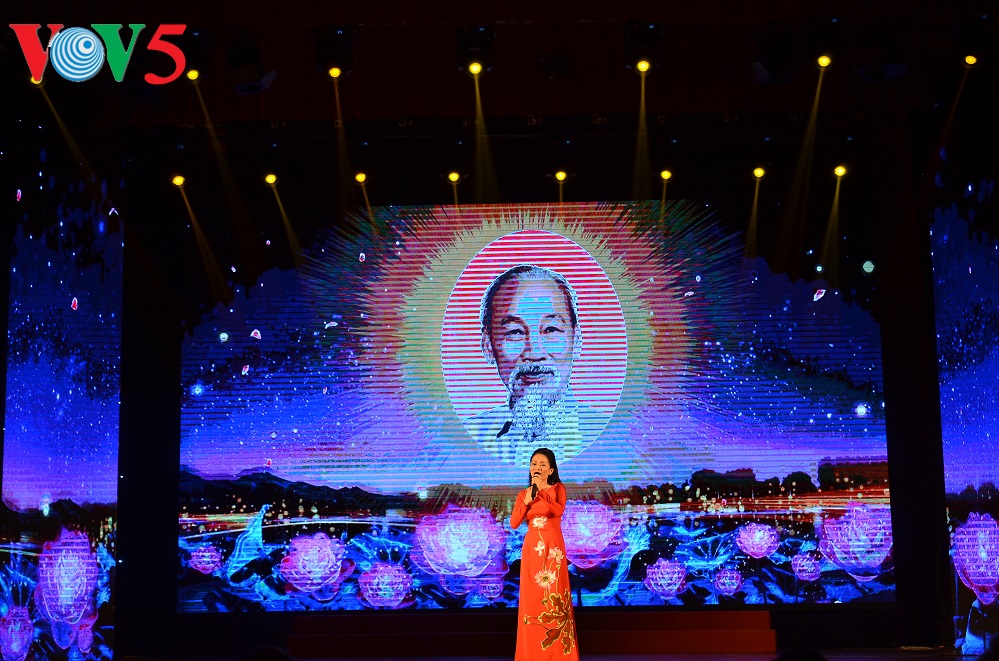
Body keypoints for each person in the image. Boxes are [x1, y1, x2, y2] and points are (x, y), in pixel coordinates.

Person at [464, 264, 611, 466]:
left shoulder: (610, 436)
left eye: (551, 330)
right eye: (515, 332)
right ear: (488, 346)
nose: (534, 353)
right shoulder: (467, 439)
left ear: (576, 340)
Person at [509, 447, 578, 661]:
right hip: (532, 550)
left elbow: (558, 510)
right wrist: (528, 500)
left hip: (553, 548)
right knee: (533, 600)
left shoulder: (558, 488)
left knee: (554, 597)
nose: (536, 468)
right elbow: (514, 523)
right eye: (534, 464)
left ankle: (558, 655)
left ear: (551, 470)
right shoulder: (524, 494)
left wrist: (541, 492)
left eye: (542, 465)